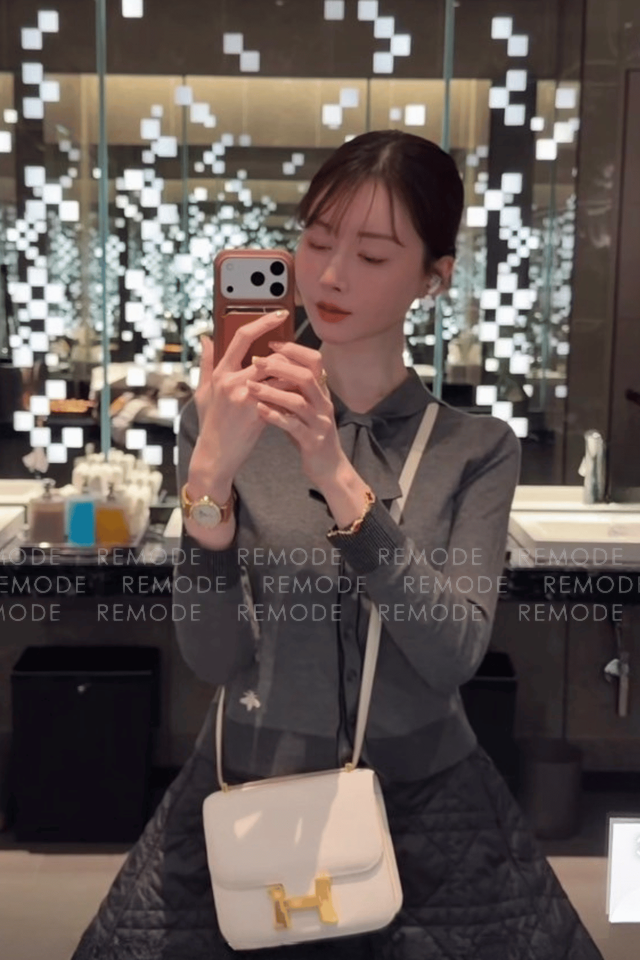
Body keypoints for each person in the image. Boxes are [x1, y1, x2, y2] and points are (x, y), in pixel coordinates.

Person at [72, 130, 604, 960]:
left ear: (434, 276)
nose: (331, 275)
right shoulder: (227, 422)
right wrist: (209, 486)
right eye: (317, 240)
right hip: (249, 786)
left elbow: (453, 655)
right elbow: (213, 658)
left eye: (373, 253)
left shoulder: (476, 448)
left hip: (426, 805)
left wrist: (335, 473)